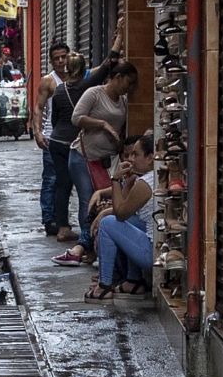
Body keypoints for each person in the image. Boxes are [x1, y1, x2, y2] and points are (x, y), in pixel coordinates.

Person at [53, 60, 138, 267]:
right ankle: (86, 248)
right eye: (128, 82)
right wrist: (102, 124)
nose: (129, 87)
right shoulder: (95, 93)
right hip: (83, 157)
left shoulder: (123, 101)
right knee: (87, 201)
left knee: (102, 203)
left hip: (106, 161)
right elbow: (76, 118)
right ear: (117, 78)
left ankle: (87, 247)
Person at [85, 134, 156, 302]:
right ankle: (133, 281)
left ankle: (104, 286)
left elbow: (120, 212)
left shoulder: (146, 184)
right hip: (155, 248)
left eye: (136, 154)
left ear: (150, 158)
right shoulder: (150, 178)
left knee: (107, 224)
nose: (131, 159)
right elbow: (126, 214)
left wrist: (115, 179)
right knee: (130, 222)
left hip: (151, 253)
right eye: (130, 155)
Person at [29, 42, 71, 235]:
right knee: (51, 179)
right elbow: (38, 107)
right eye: (57, 58)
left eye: (64, 56)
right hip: (51, 137)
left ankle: (62, 217)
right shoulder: (49, 81)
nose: (61, 61)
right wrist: (37, 132)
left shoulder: (76, 77)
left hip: (73, 138)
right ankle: (49, 219)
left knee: (68, 181)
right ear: (51, 61)